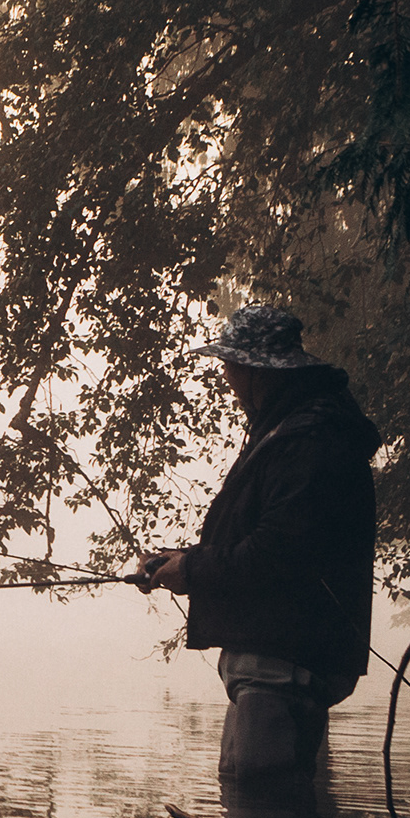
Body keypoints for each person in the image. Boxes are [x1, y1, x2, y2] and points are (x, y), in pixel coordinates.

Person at [140, 303, 379, 775]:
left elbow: (278, 554)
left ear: (258, 371)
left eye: (231, 365)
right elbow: (272, 538)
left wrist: (192, 570)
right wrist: (184, 560)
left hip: (281, 671)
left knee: (262, 806)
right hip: (272, 668)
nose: (226, 376)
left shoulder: (309, 440)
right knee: (253, 805)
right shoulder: (292, 430)